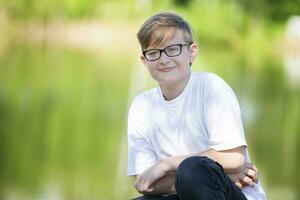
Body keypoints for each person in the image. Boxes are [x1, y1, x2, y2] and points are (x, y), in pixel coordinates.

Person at [127, 12, 267, 200]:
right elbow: (145, 183)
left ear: (191, 51)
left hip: (233, 194)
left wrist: (166, 165)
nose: (164, 59)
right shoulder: (141, 106)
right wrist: (210, 176)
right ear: (144, 60)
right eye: (153, 52)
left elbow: (234, 158)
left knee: (192, 168)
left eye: (173, 49)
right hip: (184, 192)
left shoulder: (212, 88)